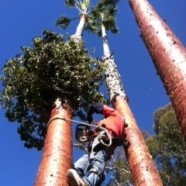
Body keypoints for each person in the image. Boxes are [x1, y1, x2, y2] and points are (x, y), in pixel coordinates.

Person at [67, 103, 126, 186]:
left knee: (97, 162)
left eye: (101, 120)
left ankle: (88, 183)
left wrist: (89, 115)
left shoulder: (114, 114)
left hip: (102, 142)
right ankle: (76, 175)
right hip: (99, 147)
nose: (100, 121)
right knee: (89, 162)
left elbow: (96, 106)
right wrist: (89, 133)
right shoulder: (119, 130)